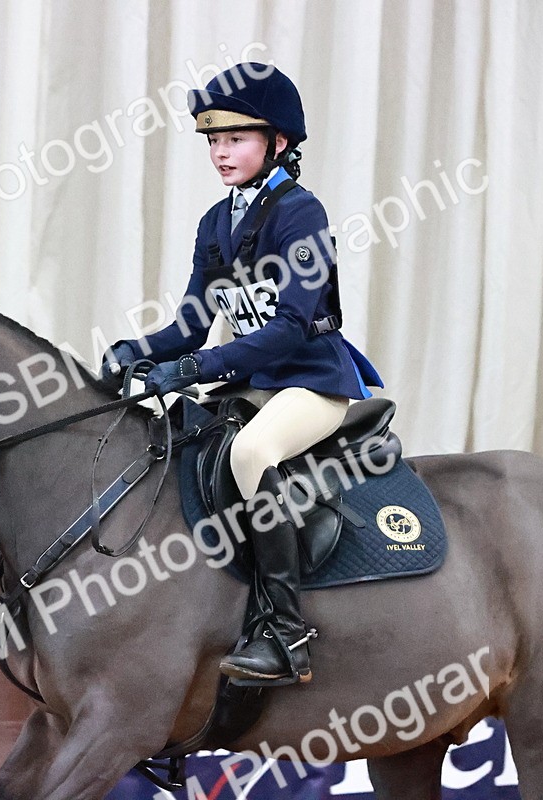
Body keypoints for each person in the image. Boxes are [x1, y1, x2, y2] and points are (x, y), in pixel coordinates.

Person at [101, 62, 383, 685]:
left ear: (277, 143)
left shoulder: (301, 214)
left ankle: (287, 631)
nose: (221, 153)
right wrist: (132, 351)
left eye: (236, 139)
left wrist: (197, 367)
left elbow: (291, 327)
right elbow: (191, 325)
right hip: (251, 383)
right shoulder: (215, 222)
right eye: (214, 141)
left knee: (251, 452)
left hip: (312, 381)